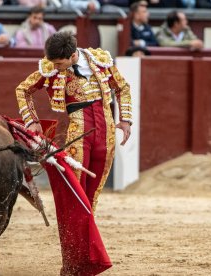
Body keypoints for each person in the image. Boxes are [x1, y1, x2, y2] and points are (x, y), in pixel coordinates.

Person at [15, 31, 131, 275]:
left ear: (71, 55)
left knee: (91, 198)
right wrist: (31, 121)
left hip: (106, 132)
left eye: (59, 63)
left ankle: (83, 259)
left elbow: (122, 87)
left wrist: (126, 120)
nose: (55, 67)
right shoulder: (52, 67)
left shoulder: (100, 60)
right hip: (79, 134)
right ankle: (73, 262)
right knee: (76, 197)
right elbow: (23, 89)